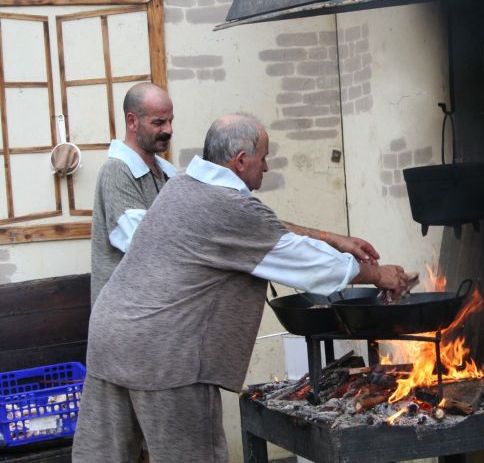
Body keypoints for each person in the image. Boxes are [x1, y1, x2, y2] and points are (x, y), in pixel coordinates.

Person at [73, 114, 409, 462]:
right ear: (241, 161)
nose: (266, 166)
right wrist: (378, 274)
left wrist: (332, 239)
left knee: (104, 457)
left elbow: (268, 229)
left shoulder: (183, 186)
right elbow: (306, 263)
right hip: (166, 355)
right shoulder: (230, 207)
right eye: (264, 157)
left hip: (109, 337)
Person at [90, 82, 177, 304]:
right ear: (132, 121)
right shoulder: (117, 171)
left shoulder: (167, 172)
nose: (168, 130)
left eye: (170, 121)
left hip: (154, 311)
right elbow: (145, 245)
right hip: (125, 318)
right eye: (158, 122)